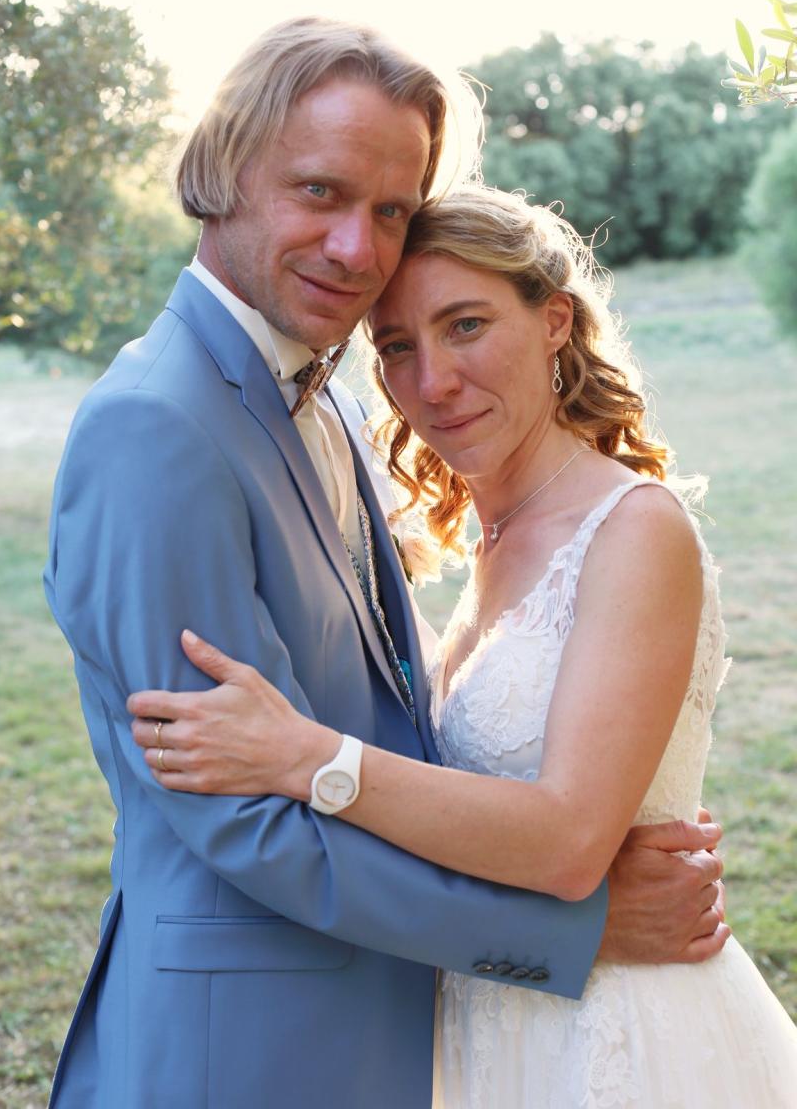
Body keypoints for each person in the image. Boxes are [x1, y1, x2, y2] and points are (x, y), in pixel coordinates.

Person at [45, 19, 727, 1109]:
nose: (357, 251)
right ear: (222, 170)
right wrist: (574, 930)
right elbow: (239, 817)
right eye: (319, 192)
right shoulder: (156, 426)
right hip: (242, 1048)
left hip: (397, 1030)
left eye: (391, 211)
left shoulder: (325, 401)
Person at [129, 185, 797, 1107]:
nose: (434, 382)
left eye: (467, 326)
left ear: (554, 320)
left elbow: (569, 842)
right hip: (488, 1015)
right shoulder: (488, 543)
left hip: (621, 1032)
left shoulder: (634, 530)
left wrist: (307, 758)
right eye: (398, 347)